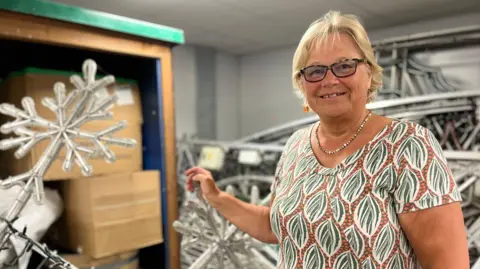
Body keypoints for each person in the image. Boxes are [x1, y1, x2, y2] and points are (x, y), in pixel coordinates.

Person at [185, 10, 469, 269]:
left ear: (368, 73)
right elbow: (273, 226)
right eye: (315, 71)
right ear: (302, 83)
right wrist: (217, 197)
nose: (329, 80)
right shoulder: (296, 145)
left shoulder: (408, 145)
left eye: (344, 66)